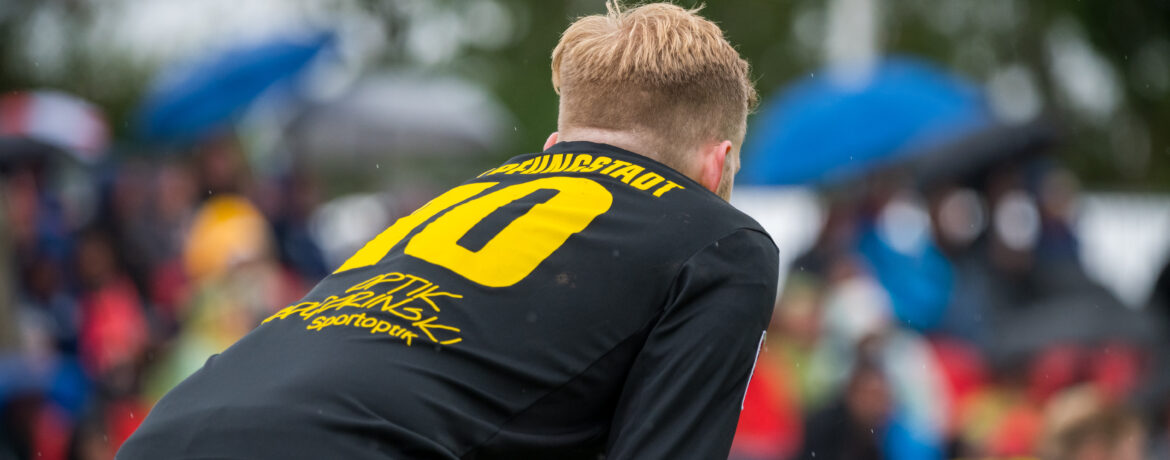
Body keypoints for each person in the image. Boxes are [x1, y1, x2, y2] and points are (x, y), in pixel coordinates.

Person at [117, 2, 777, 458]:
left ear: (554, 148)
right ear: (716, 164)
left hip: (166, 432)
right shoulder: (722, 239)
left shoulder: (468, 194)